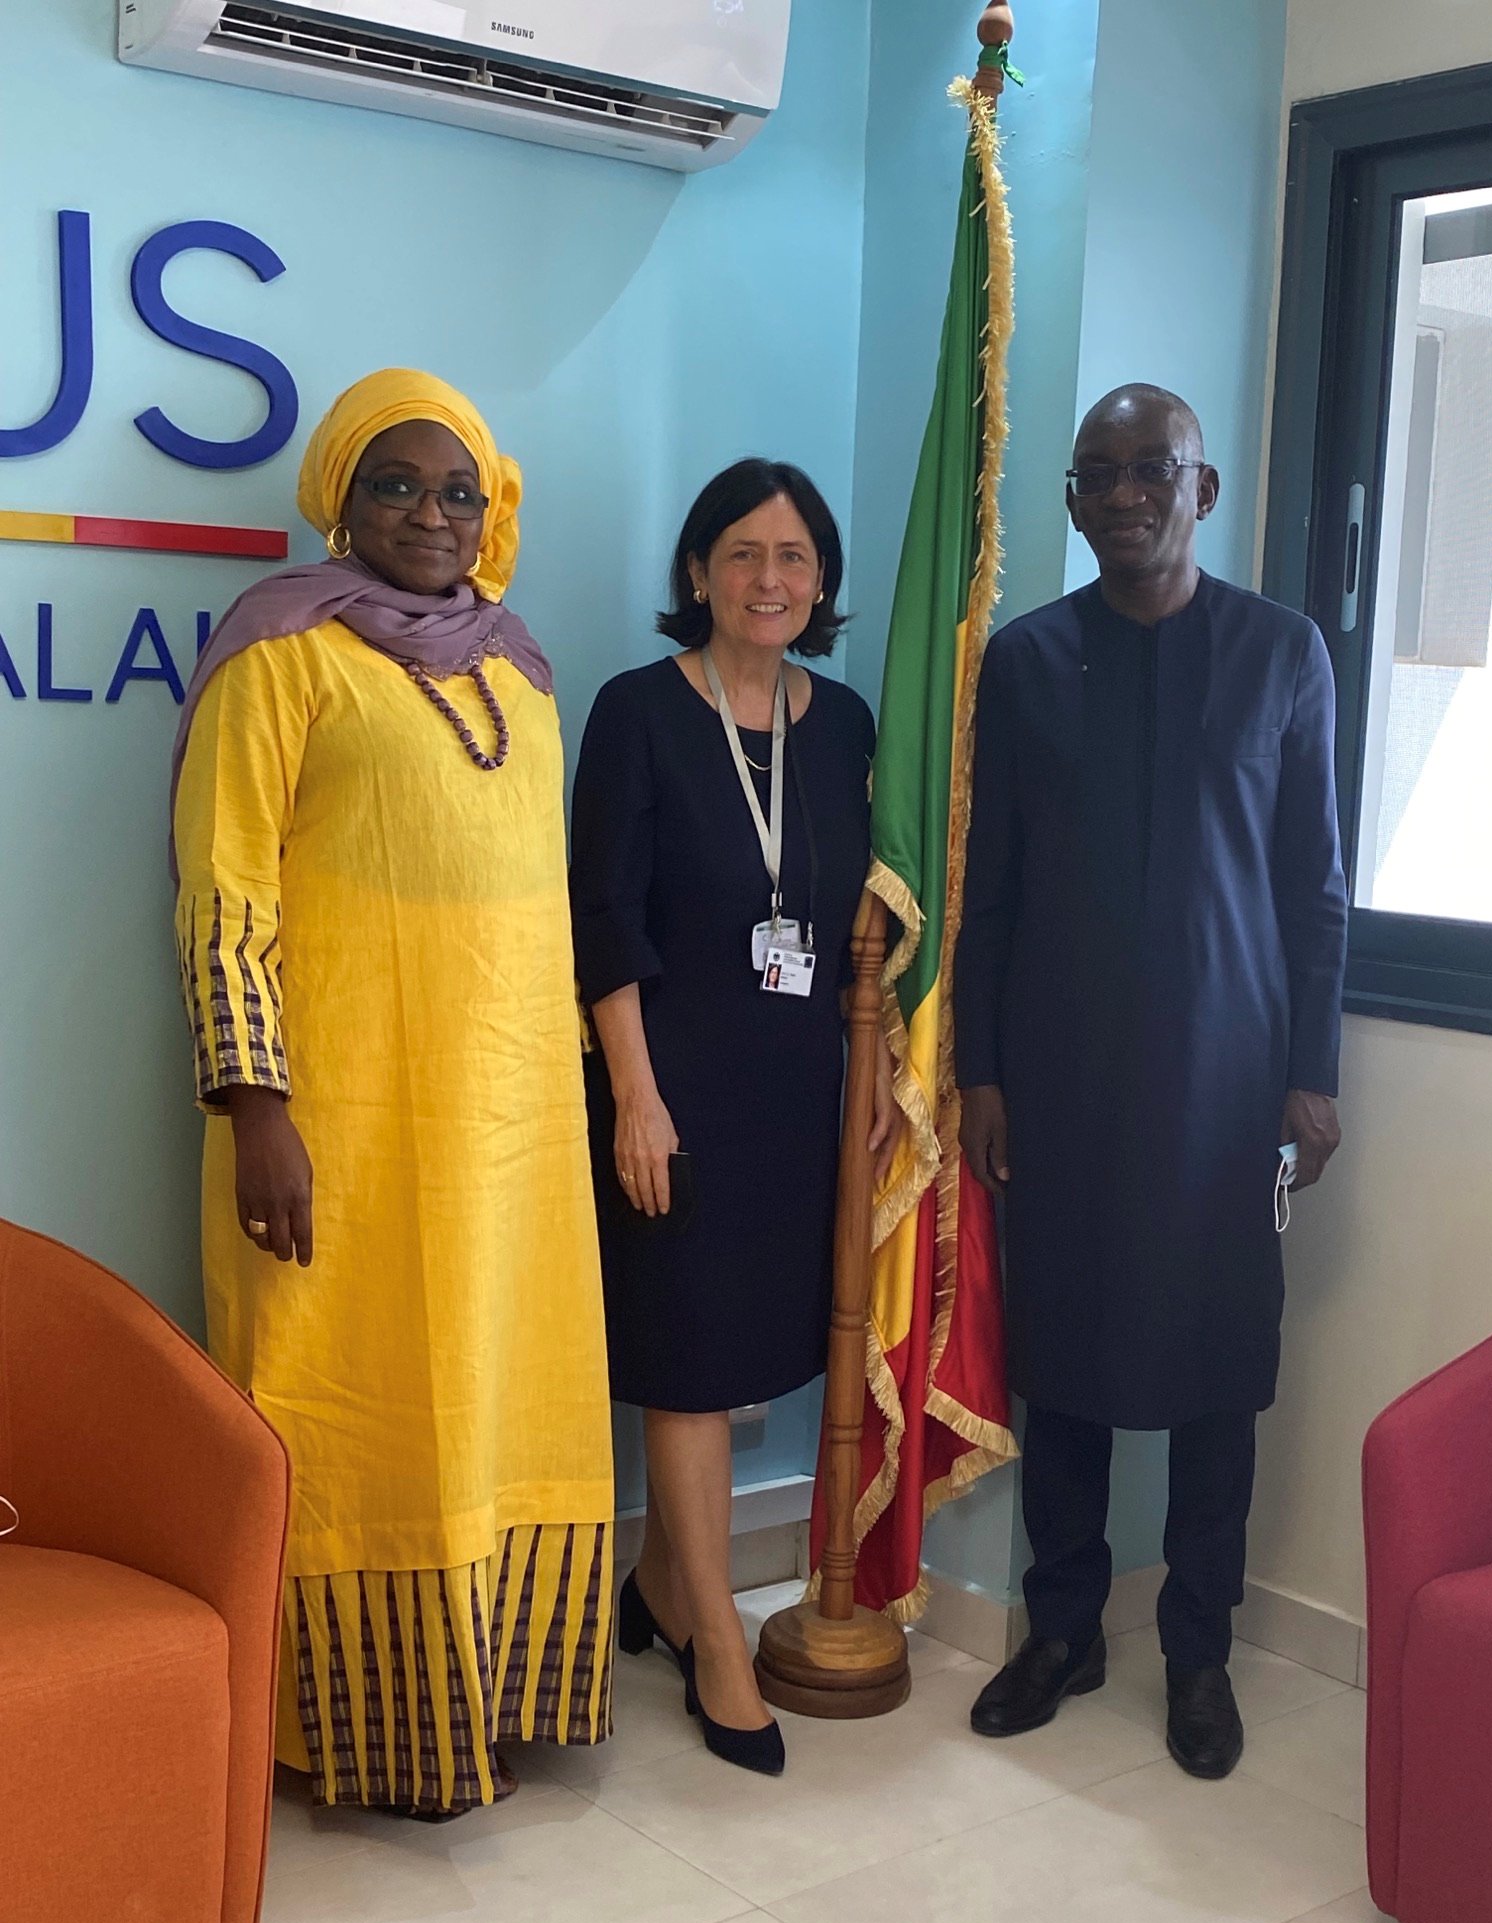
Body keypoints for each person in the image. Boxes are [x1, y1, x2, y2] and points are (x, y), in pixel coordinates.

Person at [172, 369, 615, 1819]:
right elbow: (223, 889)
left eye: (458, 492)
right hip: (338, 1127)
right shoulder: (277, 653)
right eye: (397, 486)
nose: (432, 515)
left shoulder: (524, 670)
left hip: (511, 1128)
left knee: (502, 1389)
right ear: (339, 499)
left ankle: (495, 1699)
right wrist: (257, 1108)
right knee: (342, 1398)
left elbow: (534, 906)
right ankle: (345, 1728)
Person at [954, 384, 1347, 1779]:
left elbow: (1314, 889)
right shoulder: (1023, 662)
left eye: (1153, 469)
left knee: (1215, 1372)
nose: (1128, 493)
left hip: (1232, 1088)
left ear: (1205, 487)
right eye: (1101, 474)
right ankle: (1061, 1627)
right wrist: (980, 1072)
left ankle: (1198, 1650)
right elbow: (986, 892)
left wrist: (1313, 1076)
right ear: (1072, 501)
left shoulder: (1284, 654)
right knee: (1059, 1363)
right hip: (1056, 1078)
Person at [569, 459, 898, 1777]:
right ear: (697, 571)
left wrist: (868, 1096)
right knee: (690, 1361)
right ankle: (715, 1636)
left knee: (747, 1350)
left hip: (793, 1098)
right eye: (743, 553)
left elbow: (865, 930)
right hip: (675, 1087)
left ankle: (659, 1581)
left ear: (822, 581)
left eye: (795, 557)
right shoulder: (639, 712)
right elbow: (604, 919)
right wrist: (635, 1098)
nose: (771, 579)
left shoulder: (849, 725)